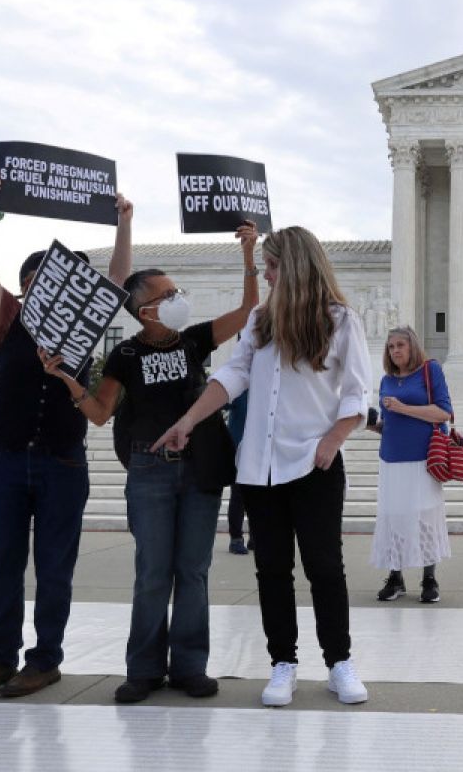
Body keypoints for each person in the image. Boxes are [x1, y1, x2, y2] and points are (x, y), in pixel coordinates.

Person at [153, 226, 372, 708]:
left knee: (324, 568)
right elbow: (232, 375)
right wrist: (188, 420)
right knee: (271, 569)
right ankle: (283, 664)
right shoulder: (259, 320)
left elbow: (358, 391)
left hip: (315, 461)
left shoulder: (340, 320)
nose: (266, 274)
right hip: (260, 467)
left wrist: (334, 438)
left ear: (293, 264)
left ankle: (339, 663)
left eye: (270, 265)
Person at [44, 222, 259, 703]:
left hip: (201, 466)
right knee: (153, 572)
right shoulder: (123, 354)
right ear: (145, 309)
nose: (177, 297)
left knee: (194, 570)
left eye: (176, 290)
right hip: (149, 468)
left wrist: (249, 255)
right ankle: (143, 669)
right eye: (168, 293)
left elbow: (248, 311)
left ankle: (188, 667)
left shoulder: (195, 340)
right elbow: (100, 414)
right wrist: (67, 381)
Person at [0, 169, 132, 698]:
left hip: (62, 461)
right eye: (43, 280)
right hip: (5, 460)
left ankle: (45, 660)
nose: (54, 289)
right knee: (3, 568)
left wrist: (125, 223)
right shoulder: (6, 316)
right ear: (28, 284)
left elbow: (119, 285)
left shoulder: (84, 322)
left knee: (55, 570)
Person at [367, 326, 453, 603]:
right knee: (394, 517)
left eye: (400, 345)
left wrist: (402, 407)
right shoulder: (386, 381)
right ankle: (395, 577)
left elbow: (443, 412)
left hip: (424, 458)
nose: (395, 351)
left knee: (424, 516)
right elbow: (389, 424)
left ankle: (429, 578)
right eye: (391, 347)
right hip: (391, 458)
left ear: (412, 346)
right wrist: (370, 425)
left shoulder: (430, 371)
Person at [225, 390, 252, 554]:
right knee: (239, 496)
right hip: (238, 451)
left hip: (259, 451)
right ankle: (236, 538)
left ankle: (255, 538)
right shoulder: (240, 390)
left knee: (260, 497)